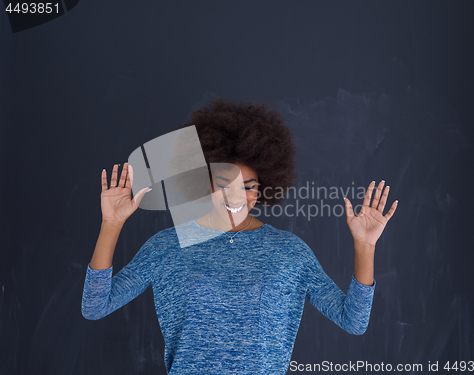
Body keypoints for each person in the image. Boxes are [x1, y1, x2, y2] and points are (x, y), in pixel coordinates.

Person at [81, 97, 398, 374]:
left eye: (249, 186)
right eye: (225, 183)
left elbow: (353, 321)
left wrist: (365, 246)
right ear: (204, 181)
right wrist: (111, 223)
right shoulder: (166, 247)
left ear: (264, 185)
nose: (237, 197)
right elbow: (95, 307)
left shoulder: (289, 252)